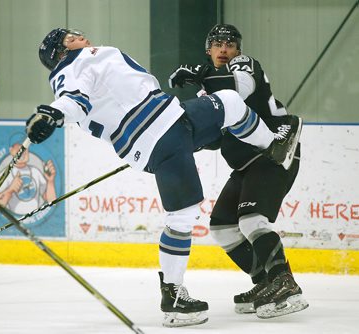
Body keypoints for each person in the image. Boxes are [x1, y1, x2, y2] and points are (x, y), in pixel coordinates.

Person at [26, 28, 302, 327]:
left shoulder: (72, 71)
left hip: (154, 141)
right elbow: (72, 98)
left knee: (182, 217)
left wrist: (54, 114)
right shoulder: (79, 61)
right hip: (166, 124)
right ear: (61, 52)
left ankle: (173, 298)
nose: (81, 37)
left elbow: (76, 102)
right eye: (71, 38)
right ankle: (274, 146)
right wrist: (50, 114)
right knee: (231, 103)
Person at [168, 23, 308, 319]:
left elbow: (237, 89)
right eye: (217, 44)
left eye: (229, 44)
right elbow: (216, 136)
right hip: (245, 163)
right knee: (222, 226)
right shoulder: (209, 90)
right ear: (208, 50)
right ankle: (265, 283)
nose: (223, 49)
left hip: (271, 153)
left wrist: (199, 73)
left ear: (238, 50)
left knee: (252, 219)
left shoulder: (243, 66)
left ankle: (285, 283)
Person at [0, 142, 57, 215]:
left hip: (34, 216)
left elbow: (52, 202)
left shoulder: (35, 171)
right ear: (11, 150)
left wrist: (50, 181)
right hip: (15, 221)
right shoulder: (5, 174)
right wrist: (10, 190)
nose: (22, 151)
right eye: (18, 148)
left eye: (24, 148)